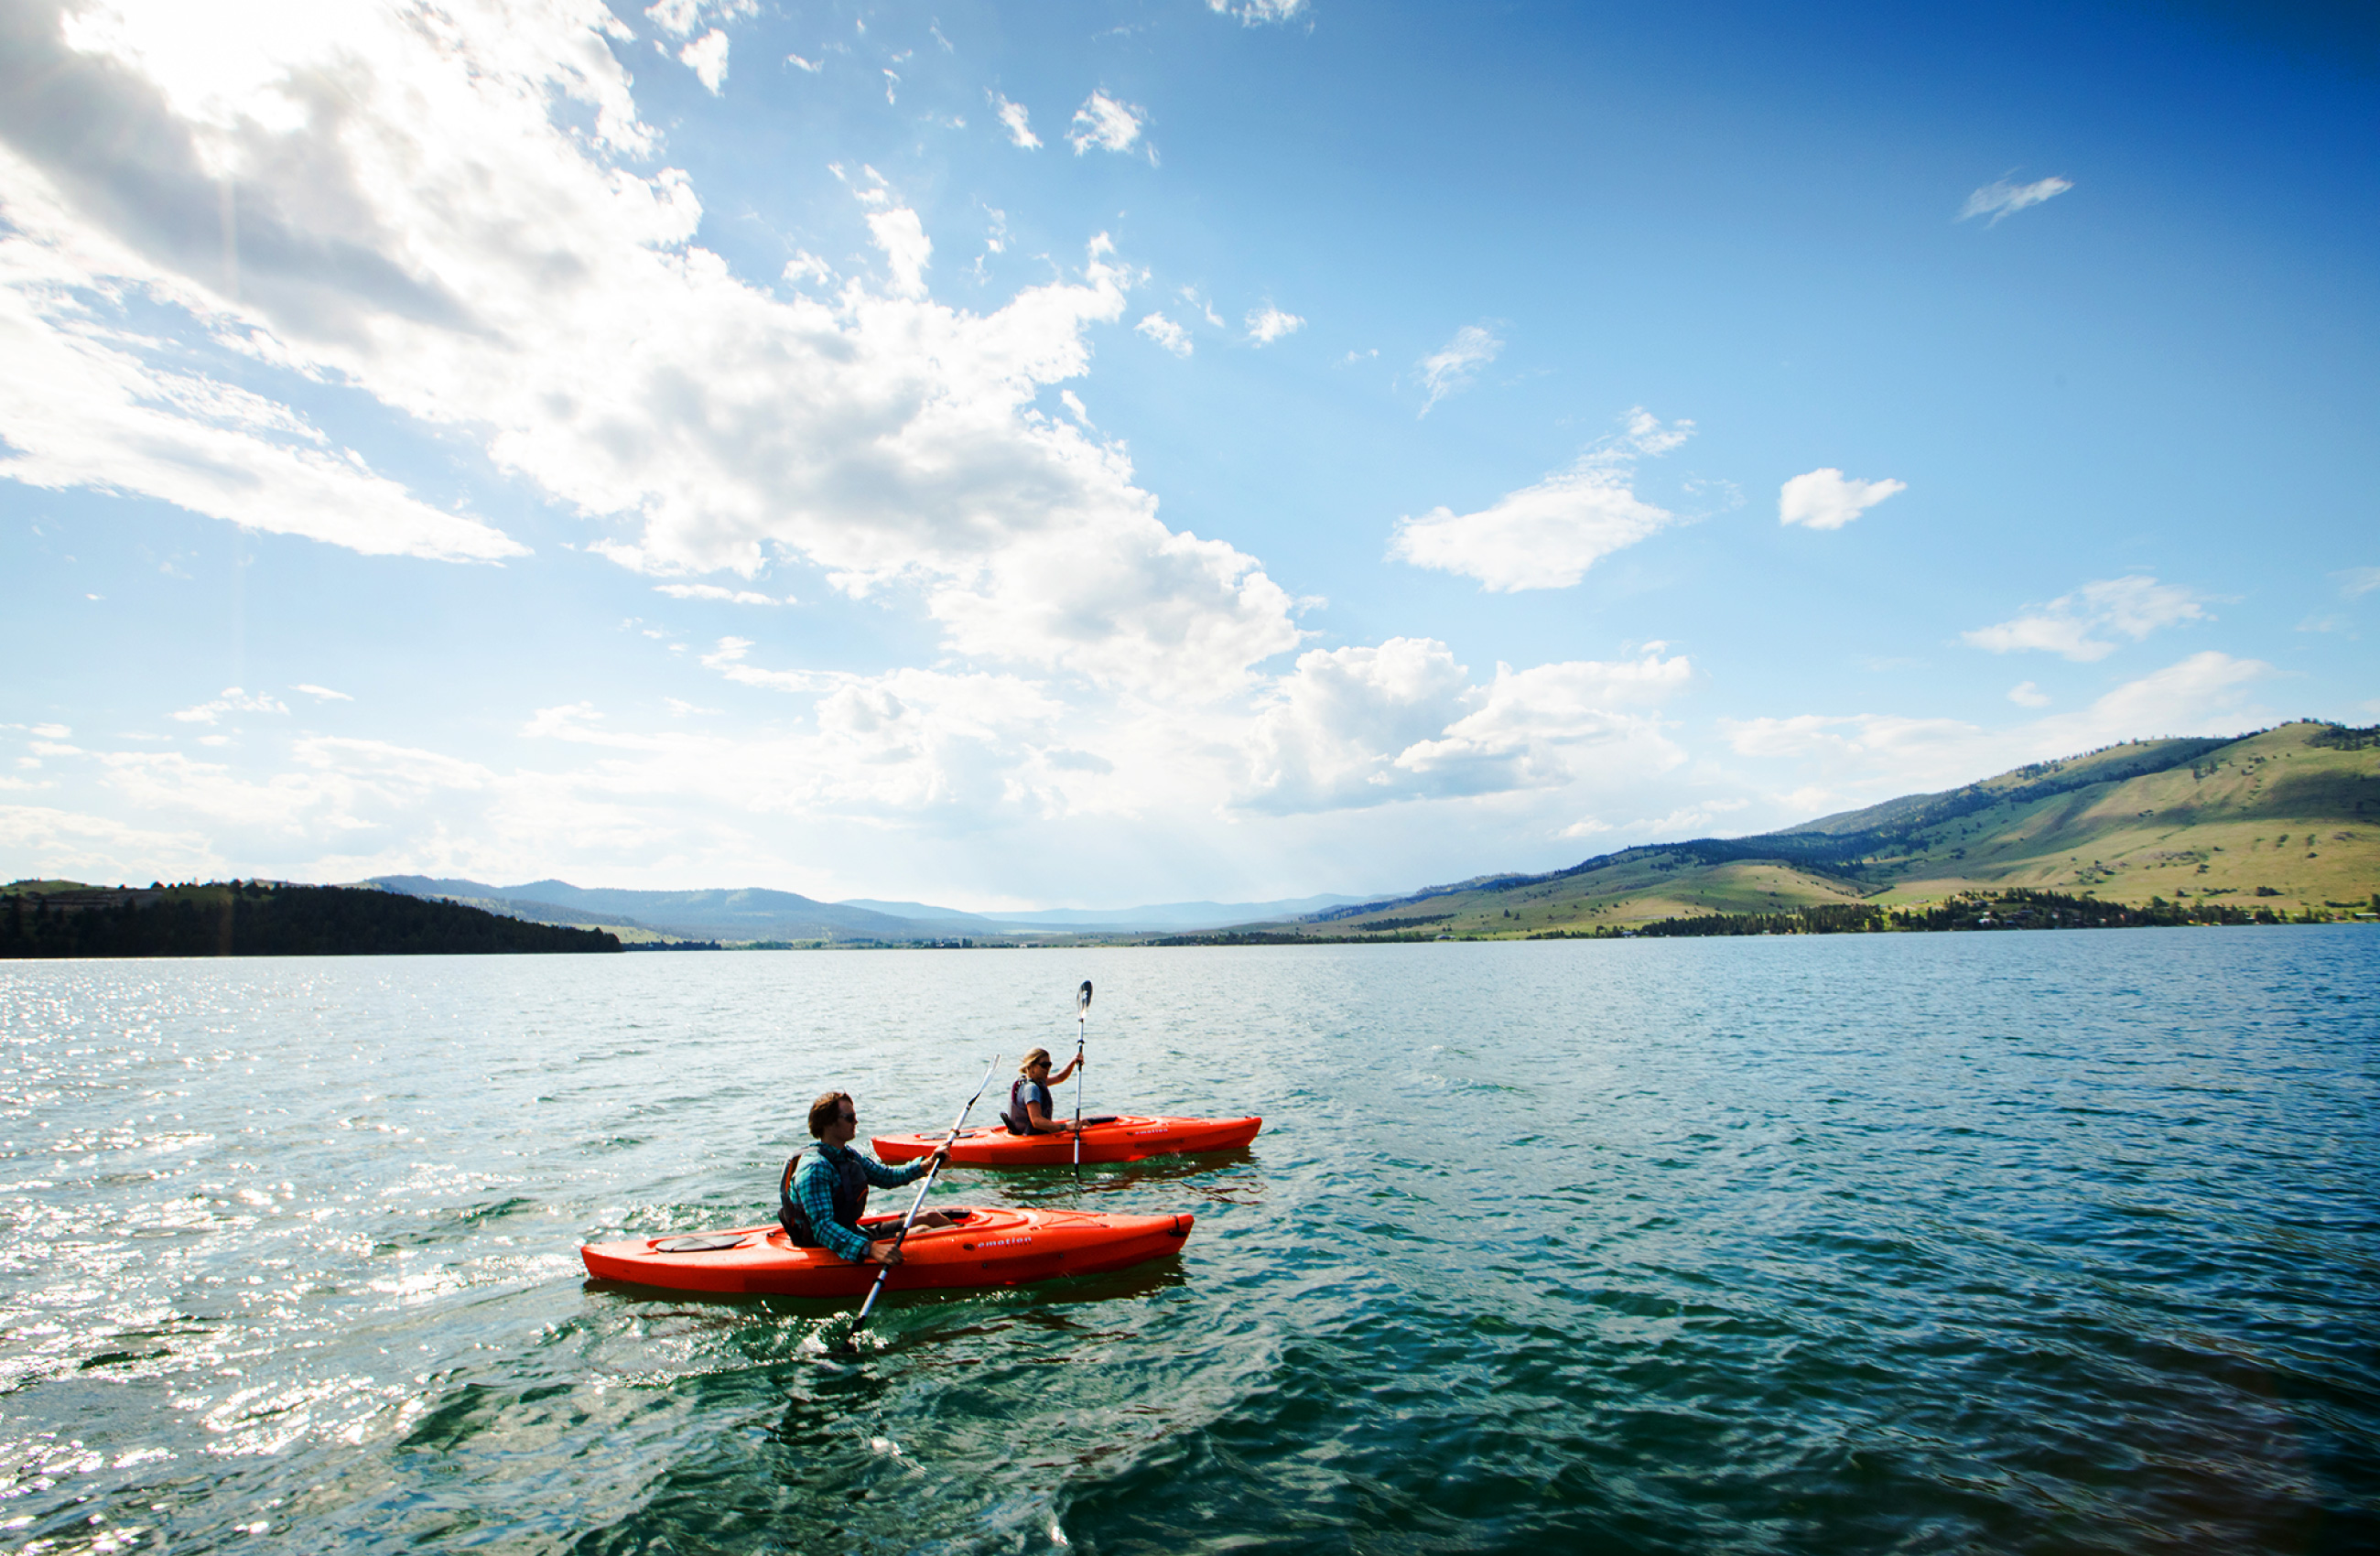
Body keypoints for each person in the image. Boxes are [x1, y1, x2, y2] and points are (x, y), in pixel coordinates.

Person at [779, 1091, 955, 1266]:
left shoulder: (846, 1155)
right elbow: (823, 1228)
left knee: (931, 1217)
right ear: (829, 1124)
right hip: (826, 1246)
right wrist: (871, 1249)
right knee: (922, 1231)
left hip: (851, 1232)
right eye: (849, 1117)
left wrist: (928, 1164)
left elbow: (886, 1177)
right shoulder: (815, 1168)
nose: (856, 1121)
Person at [1001, 1047, 1082, 1136]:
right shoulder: (1031, 1089)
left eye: (1049, 1065)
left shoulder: (1030, 1081)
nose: (1048, 1068)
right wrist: (1065, 1127)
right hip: (1031, 1138)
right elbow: (1036, 1121)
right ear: (1031, 1066)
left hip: (1024, 1134)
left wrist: (1073, 1061)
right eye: (1044, 1065)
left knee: (1084, 1123)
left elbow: (1060, 1077)